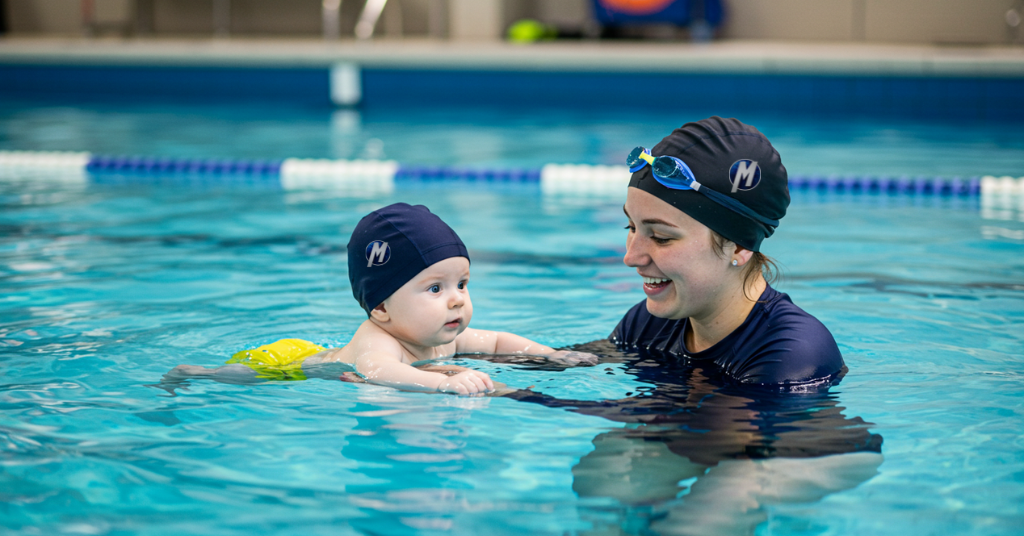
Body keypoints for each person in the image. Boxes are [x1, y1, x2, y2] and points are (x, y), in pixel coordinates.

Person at [164, 203, 593, 395]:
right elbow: (379, 372)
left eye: (462, 283)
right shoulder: (378, 339)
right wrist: (443, 383)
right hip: (291, 363)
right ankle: (191, 373)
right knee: (237, 377)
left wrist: (549, 355)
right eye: (435, 288)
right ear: (381, 307)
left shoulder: (439, 334)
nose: (456, 301)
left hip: (323, 355)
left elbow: (498, 343)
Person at [612, 116, 845, 385]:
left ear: (739, 246)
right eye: (631, 226)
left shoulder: (791, 357)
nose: (631, 257)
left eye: (661, 237)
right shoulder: (649, 323)